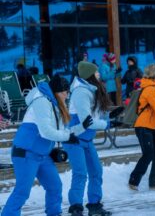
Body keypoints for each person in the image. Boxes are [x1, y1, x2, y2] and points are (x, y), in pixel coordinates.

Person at [1, 75, 81, 216]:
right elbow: (46, 132)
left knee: (55, 186)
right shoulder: (42, 102)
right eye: (65, 92)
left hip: (42, 155)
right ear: (58, 91)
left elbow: (63, 130)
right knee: (22, 191)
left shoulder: (55, 105)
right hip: (26, 153)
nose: (67, 95)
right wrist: (68, 137)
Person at [65, 61, 113, 216]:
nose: (99, 74)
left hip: (86, 139)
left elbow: (96, 115)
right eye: (97, 72)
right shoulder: (81, 92)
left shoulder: (92, 89)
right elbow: (88, 121)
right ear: (90, 75)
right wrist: (106, 124)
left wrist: (112, 118)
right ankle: (76, 207)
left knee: (96, 172)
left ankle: (94, 205)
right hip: (75, 139)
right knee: (80, 173)